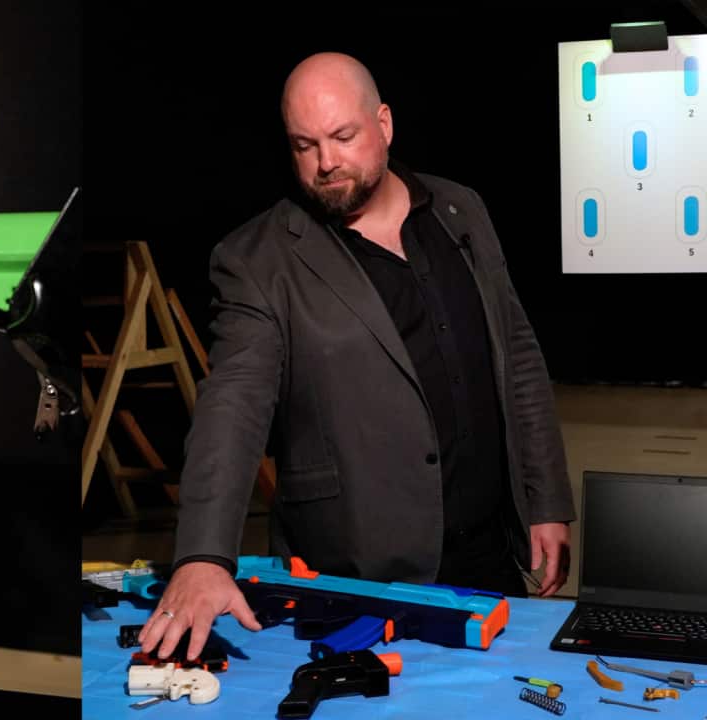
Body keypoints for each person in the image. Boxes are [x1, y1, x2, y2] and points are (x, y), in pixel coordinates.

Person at [138, 52, 576, 662]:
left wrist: (545, 499)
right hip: (357, 579)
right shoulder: (258, 258)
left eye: (343, 137)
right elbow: (231, 408)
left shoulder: (461, 210)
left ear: (385, 125)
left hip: (491, 559)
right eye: (304, 145)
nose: (326, 163)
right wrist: (204, 556)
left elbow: (518, 356)